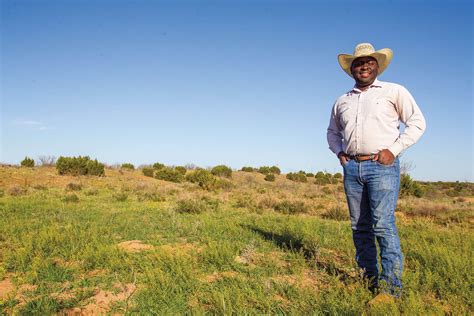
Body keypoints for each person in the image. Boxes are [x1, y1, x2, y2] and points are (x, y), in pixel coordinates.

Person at [326, 43, 426, 297]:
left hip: (382, 167)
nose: (364, 66)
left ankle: (391, 290)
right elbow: (332, 132)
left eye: (369, 62)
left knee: (383, 225)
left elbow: (417, 123)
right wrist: (340, 153)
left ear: (377, 66)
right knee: (359, 227)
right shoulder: (342, 100)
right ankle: (367, 279)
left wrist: (394, 150)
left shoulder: (394, 91)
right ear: (352, 69)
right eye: (359, 63)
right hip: (352, 169)